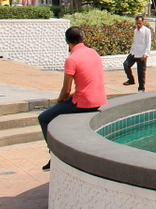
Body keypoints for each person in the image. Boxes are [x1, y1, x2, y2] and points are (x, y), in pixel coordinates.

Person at [38, 26, 107, 171]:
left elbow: (66, 90)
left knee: (44, 117)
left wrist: (59, 101)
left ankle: (54, 154)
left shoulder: (72, 59)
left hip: (83, 103)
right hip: (99, 99)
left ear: (67, 41)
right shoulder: (93, 53)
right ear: (83, 39)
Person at [122, 15, 151, 92]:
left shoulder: (146, 31)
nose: (138, 25)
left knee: (141, 72)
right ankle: (131, 79)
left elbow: (148, 43)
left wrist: (146, 54)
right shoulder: (135, 31)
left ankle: (141, 87)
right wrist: (132, 51)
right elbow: (135, 42)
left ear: (143, 22)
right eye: (137, 23)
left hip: (142, 54)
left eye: (139, 23)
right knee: (126, 64)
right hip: (134, 53)